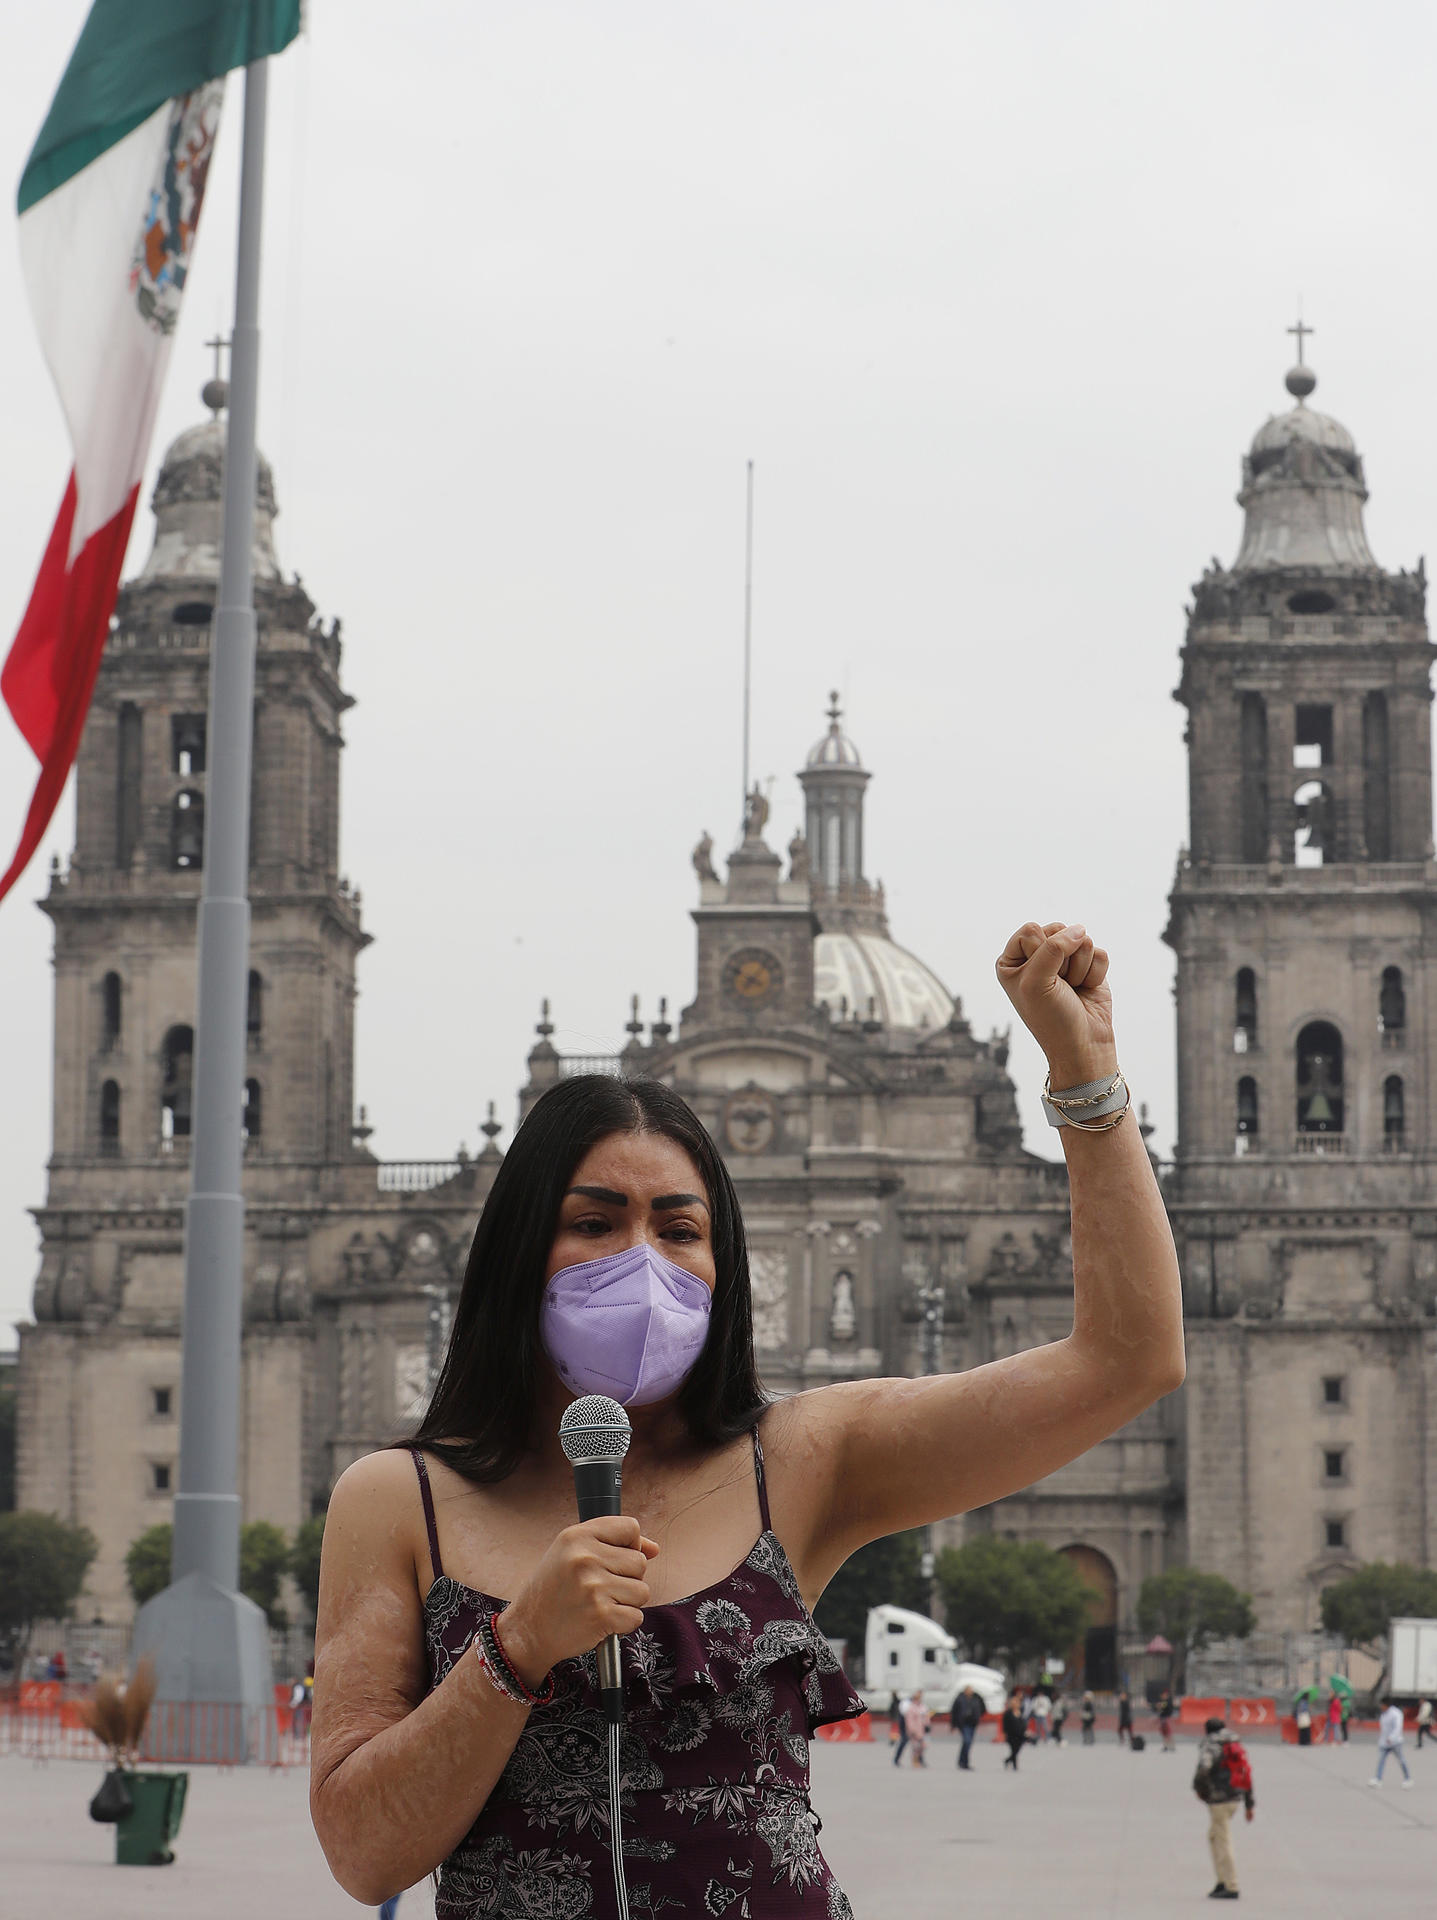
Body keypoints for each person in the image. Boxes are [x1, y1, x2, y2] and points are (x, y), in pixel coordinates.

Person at [309, 924, 1185, 1916]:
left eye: (680, 1229)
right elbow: (363, 1853)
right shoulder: (400, 1500)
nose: (642, 1260)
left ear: (729, 1273)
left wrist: (1088, 1075)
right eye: (595, 1223)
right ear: (516, 1250)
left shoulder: (805, 1460)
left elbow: (1127, 1361)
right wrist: (514, 1652)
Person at [1193, 1716, 1254, 1902]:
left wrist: (1200, 1790)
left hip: (1219, 1799)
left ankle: (1231, 1885)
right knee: (1214, 1837)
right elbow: (1246, 1772)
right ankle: (1221, 1880)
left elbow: (1204, 1768)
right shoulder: (1235, 1743)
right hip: (1235, 1798)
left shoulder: (1210, 1744)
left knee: (1223, 1841)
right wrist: (1249, 1804)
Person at [1371, 1696, 1413, 1788]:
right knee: (1381, 1761)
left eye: (1382, 1705)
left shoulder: (1396, 1713)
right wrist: (1382, 1740)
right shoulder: (1384, 1714)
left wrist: (1391, 1738)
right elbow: (1384, 1729)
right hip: (1384, 1743)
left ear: (1386, 1705)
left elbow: (1398, 1727)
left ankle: (1408, 1779)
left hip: (1395, 1742)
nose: (1381, 1706)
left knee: (1401, 1760)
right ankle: (1378, 1779)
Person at [952, 1684, 984, 1770]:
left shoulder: (975, 1699)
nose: (970, 1692)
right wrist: (953, 1725)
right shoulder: (960, 1699)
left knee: (968, 1743)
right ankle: (963, 1762)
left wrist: (978, 1717)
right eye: (969, 1690)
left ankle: (963, 1761)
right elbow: (954, 1712)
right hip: (963, 1724)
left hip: (972, 1724)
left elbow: (981, 1709)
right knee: (967, 1741)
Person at [902, 1689, 930, 1768]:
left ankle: (919, 1759)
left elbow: (926, 1716)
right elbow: (909, 1720)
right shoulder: (911, 1708)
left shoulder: (922, 1706)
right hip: (914, 1730)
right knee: (915, 1746)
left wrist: (928, 1725)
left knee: (923, 1746)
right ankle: (915, 1761)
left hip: (922, 1729)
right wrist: (911, 1730)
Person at [1002, 1692, 1028, 1771]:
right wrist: (1005, 1733)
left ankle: (1008, 1760)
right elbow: (1005, 1725)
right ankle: (1015, 1765)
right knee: (1014, 1750)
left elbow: (1023, 1723)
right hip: (1011, 1734)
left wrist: (1025, 1730)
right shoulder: (1008, 1714)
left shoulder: (1020, 1712)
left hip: (1020, 1735)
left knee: (1017, 1750)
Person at [891, 1690, 913, 1769]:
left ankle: (918, 1760)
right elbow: (904, 1713)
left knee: (917, 1742)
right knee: (904, 1741)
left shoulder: (906, 1703)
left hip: (911, 1724)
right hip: (905, 1724)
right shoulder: (906, 1703)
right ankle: (897, 1759)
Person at [1156, 1687, 1176, 1752]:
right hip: (1162, 1719)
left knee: (1168, 1733)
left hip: (1166, 1719)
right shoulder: (1163, 1702)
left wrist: (1160, 1706)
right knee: (1164, 1734)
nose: (1163, 1696)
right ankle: (1166, 1746)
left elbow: (1165, 1706)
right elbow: (1159, 1708)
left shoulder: (1168, 1701)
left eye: (1165, 1695)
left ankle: (1172, 1746)